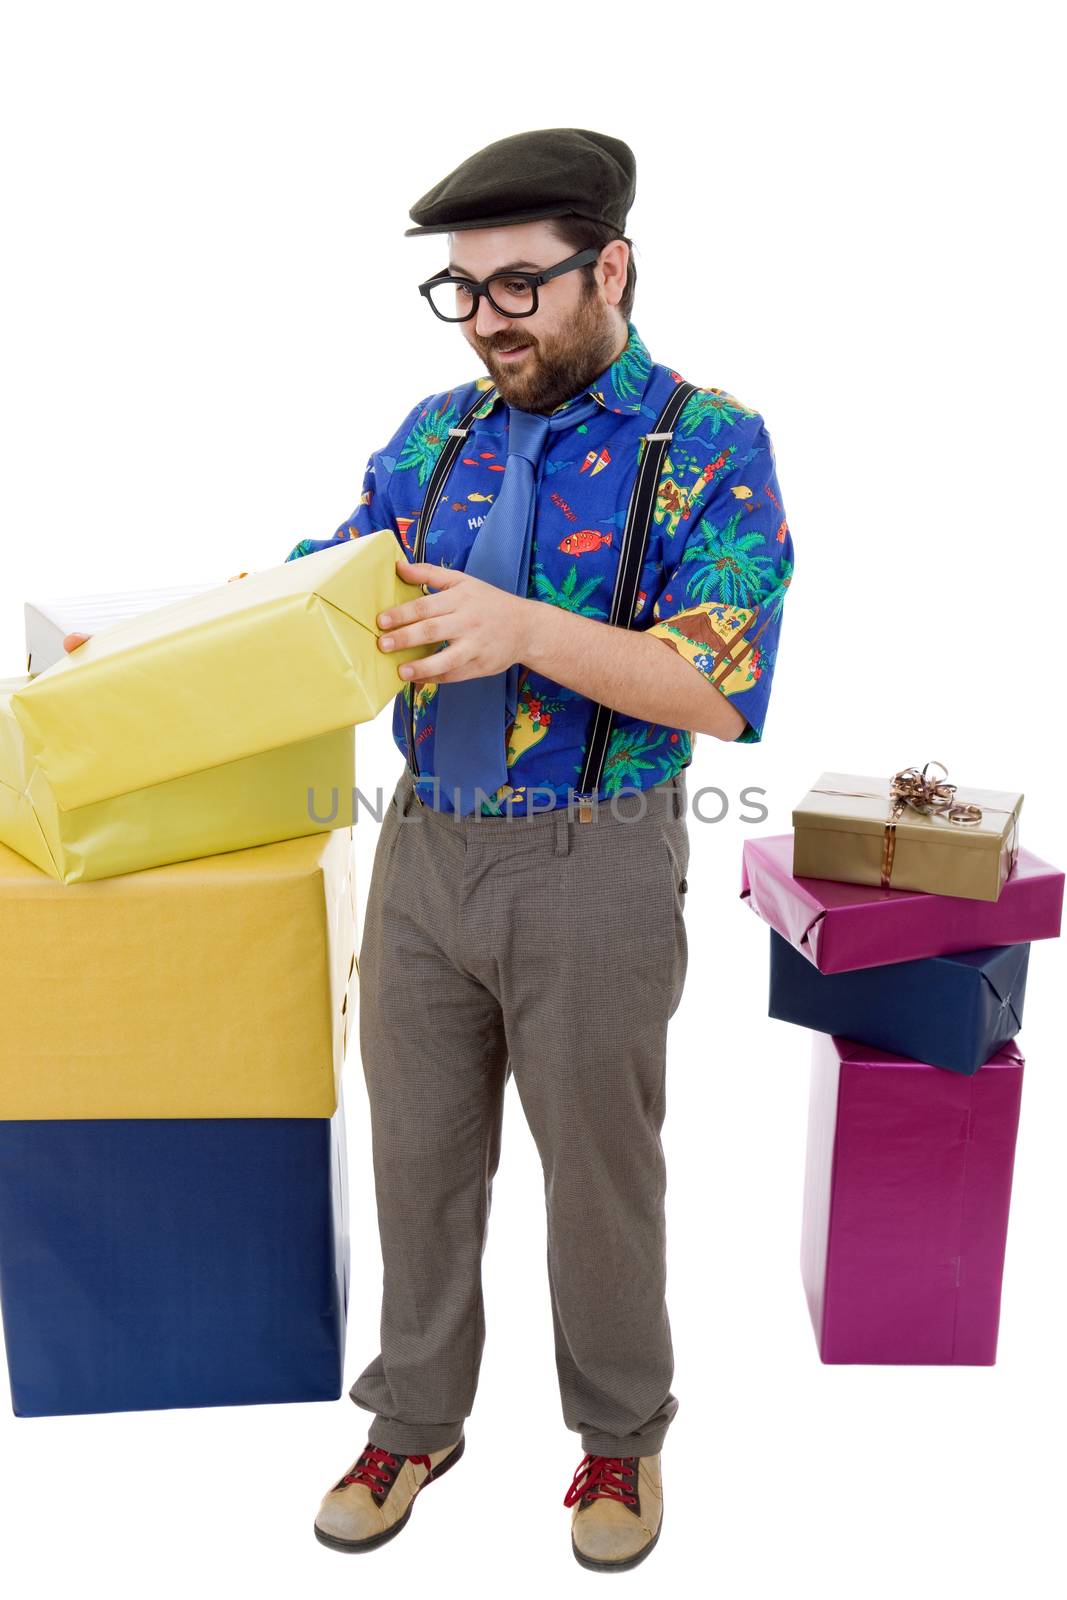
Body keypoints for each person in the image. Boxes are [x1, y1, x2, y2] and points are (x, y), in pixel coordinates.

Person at [65, 126, 794, 1573]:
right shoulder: (431, 437)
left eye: (519, 286)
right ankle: (416, 1416)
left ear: (614, 268)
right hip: (424, 857)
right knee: (419, 1160)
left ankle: (618, 1444)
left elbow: (722, 684)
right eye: (462, 291)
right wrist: (160, 643)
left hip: (596, 857)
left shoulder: (708, 442)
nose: (488, 321)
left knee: (598, 1171)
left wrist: (523, 630)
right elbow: (319, 596)